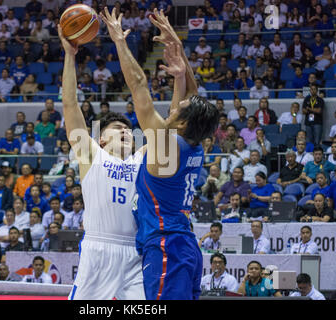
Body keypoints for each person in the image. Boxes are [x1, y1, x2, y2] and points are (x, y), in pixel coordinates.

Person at [101, 8, 221, 300]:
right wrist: (179, 55)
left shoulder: (166, 144)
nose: (174, 105)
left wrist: (119, 41)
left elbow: (139, 86)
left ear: (181, 122)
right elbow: (192, 98)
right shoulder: (193, 144)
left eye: (178, 109)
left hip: (166, 244)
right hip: (185, 244)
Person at [58, 15, 147, 300]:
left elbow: (153, 108)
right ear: (102, 139)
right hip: (98, 249)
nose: (126, 133)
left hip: (134, 252)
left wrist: (121, 42)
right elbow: (70, 104)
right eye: (118, 129)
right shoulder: (92, 155)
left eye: (129, 130)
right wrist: (70, 57)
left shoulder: (141, 159)